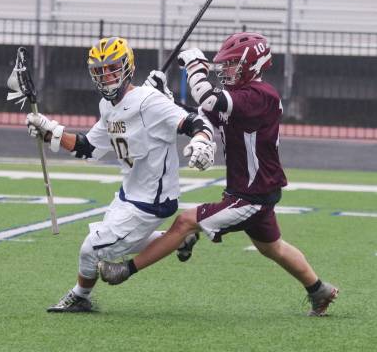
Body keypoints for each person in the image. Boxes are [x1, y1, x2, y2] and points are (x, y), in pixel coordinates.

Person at [98, 32, 339, 317]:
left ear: (253, 64)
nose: (225, 70)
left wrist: (196, 66)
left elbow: (210, 102)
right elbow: (199, 114)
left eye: (233, 64)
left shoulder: (260, 95)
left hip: (251, 195)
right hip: (254, 190)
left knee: (186, 221)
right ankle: (319, 290)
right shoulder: (239, 97)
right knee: (273, 248)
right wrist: (161, 97)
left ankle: (125, 270)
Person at [26, 36, 216, 312]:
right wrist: (50, 131)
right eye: (100, 71)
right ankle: (180, 238)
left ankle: (80, 296)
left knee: (91, 249)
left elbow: (196, 122)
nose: (106, 77)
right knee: (123, 243)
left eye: (112, 68)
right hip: (129, 194)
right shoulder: (108, 106)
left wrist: (200, 141)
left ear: (128, 67)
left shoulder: (149, 101)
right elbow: (89, 148)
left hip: (152, 200)